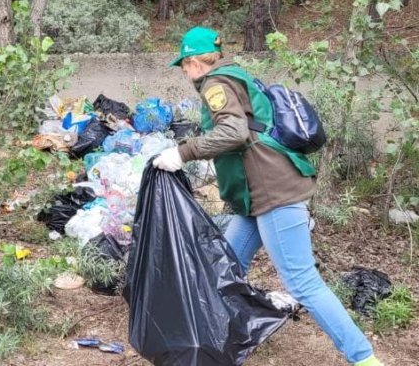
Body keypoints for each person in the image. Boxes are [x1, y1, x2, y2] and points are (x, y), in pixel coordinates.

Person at [152, 26, 383, 366]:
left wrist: (182, 153)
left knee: (303, 283)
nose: (184, 72)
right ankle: (213, 346)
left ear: (194, 62)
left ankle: (364, 359)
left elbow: (234, 131)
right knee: (225, 268)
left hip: (273, 194)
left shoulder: (216, 84)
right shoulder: (237, 76)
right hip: (255, 197)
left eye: (184, 65)